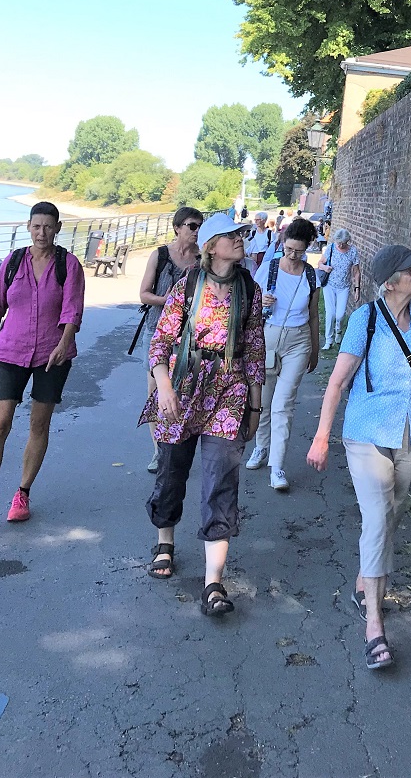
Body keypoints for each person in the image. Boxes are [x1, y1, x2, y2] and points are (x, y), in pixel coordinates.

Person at [307, 244, 411, 670]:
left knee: (392, 516)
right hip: (368, 432)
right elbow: (336, 383)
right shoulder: (365, 320)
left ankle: (363, 581)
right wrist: (321, 437)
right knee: (376, 519)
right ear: (390, 280)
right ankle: (374, 625)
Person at [139, 213, 264, 616]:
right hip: (183, 387)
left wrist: (255, 406)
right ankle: (165, 540)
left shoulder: (249, 289)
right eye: (232, 235)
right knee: (172, 470)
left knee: (221, 478)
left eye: (240, 234)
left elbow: (256, 352)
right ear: (212, 246)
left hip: (229, 390)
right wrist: (164, 387)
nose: (241, 239)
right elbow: (160, 342)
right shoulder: (187, 285)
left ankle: (214, 581)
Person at [0, 202, 85, 536]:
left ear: (57, 228)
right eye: (36, 226)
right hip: (11, 350)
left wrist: (62, 343)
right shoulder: (12, 262)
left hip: (52, 355)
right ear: (28, 227)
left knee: (38, 424)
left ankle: (22, 494)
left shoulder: (68, 265)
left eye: (48, 227)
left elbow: (72, 311)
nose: (42, 233)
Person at [247, 217, 319, 489]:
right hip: (267, 336)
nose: (293, 255)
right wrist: (260, 301)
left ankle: (277, 467)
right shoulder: (269, 269)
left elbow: (313, 316)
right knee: (263, 401)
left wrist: (314, 349)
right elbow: (248, 304)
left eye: (299, 251)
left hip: (298, 341)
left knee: (283, 404)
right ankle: (261, 447)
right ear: (283, 243)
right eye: (289, 249)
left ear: (307, 248)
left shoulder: (311, 275)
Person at [138, 207, 202, 473]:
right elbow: (143, 294)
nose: (196, 230)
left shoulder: (202, 259)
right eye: (191, 225)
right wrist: (171, 302)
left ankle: (176, 442)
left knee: (185, 391)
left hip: (190, 334)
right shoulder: (161, 255)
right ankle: (158, 450)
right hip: (157, 330)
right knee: (156, 391)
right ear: (177, 227)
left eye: (199, 226)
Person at [317, 228, 360, 350]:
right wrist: (325, 268)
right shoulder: (331, 248)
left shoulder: (352, 252)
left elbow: (356, 272)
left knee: (340, 315)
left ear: (348, 242)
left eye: (343, 243)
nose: (340, 245)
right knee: (330, 313)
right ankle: (328, 340)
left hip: (344, 287)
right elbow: (320, 263)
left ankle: (338, 331)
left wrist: (357, 288)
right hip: (329, 285)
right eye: (338, 242)